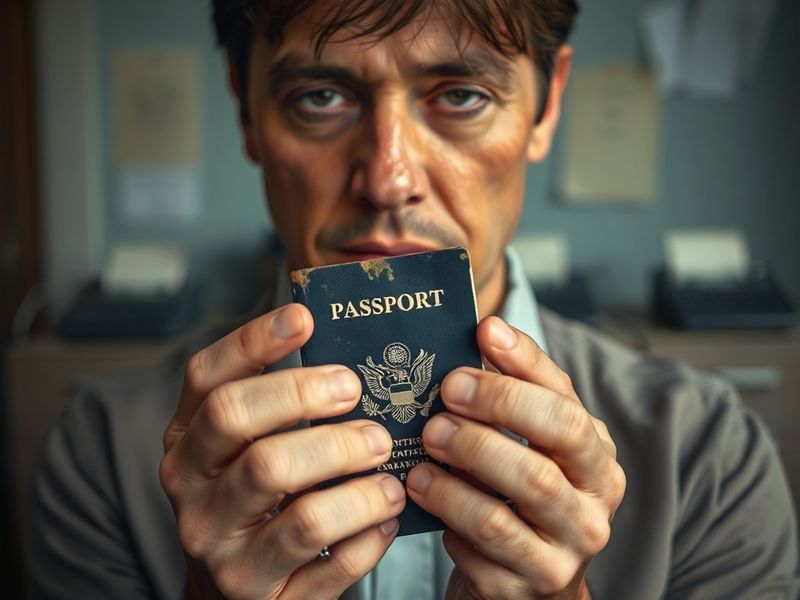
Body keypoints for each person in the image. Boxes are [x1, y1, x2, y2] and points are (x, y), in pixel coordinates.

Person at [29, 1, 799, 598]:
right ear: (245, 109)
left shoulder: (711, 461)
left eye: (460, 95)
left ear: (547, 104)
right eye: (320, 97)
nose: (389, 177)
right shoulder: (99, 458)